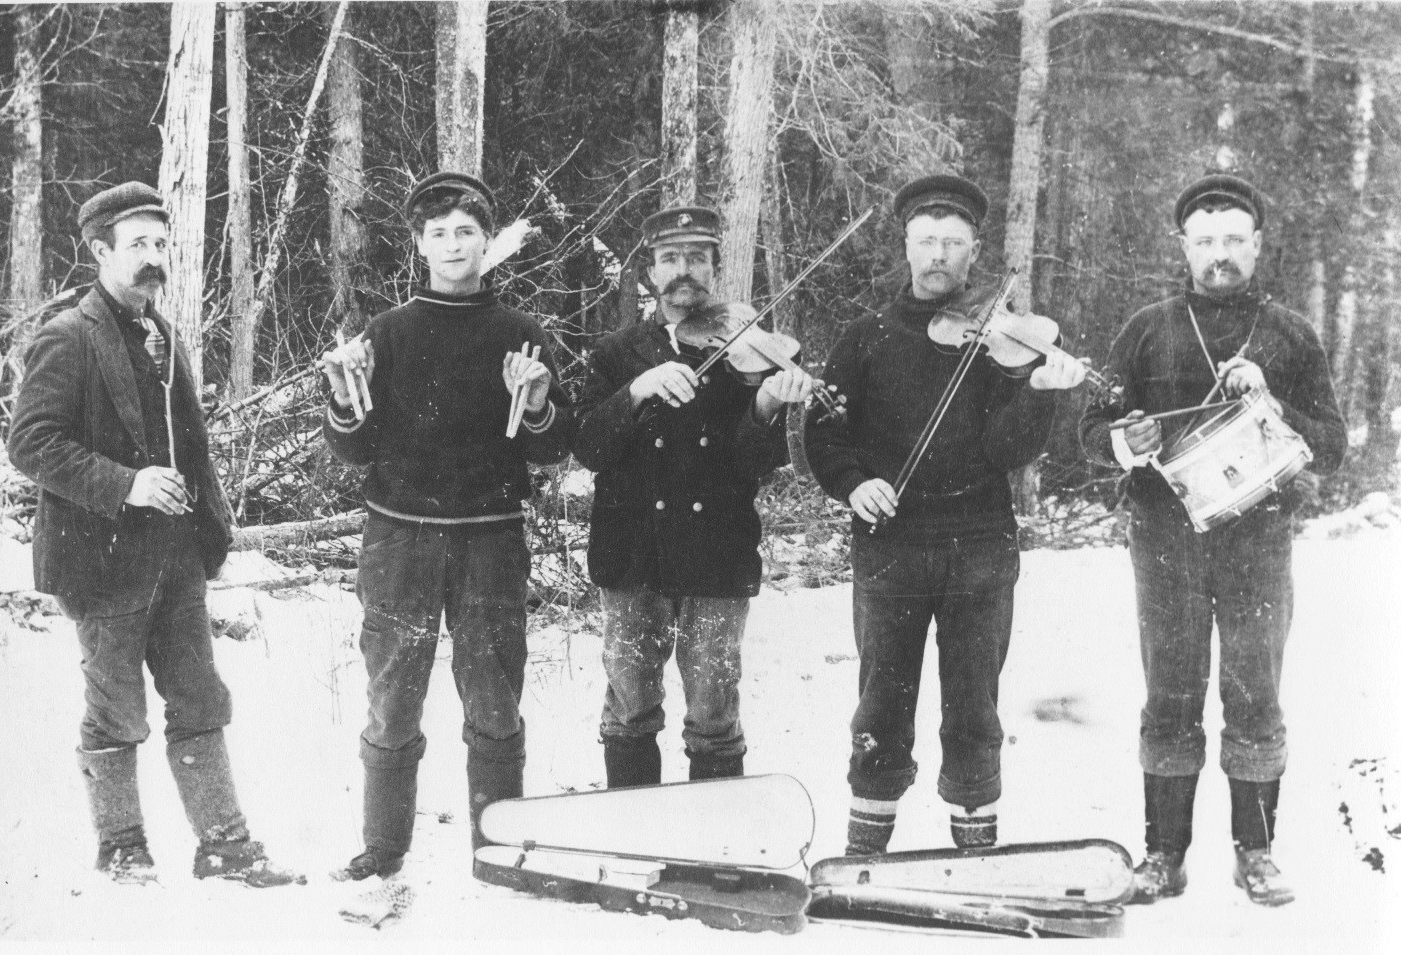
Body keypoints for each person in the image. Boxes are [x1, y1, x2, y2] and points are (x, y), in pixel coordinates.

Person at [7, 181, 304, 887]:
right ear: (100, 249)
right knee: (115, 709)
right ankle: (122, 847)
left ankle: (225, 846)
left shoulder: (159, 332)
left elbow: (191, 445)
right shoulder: (67, 337)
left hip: (173, 561)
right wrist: (125, 483)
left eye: (161, 244)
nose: (153, 257)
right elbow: (30, 443)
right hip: (100, 561)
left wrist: (212, 535)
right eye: (138, 244)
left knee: (200, 699)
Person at [1079, 173, 1346, 906]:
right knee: (1170, 693)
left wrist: (1273, 398)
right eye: (1205, 241)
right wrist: (1123, 441)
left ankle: (1255, 853)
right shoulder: (1145, 328)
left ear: (1258, 247)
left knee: (1255, 693)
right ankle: (1163, 854)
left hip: (1259, 543)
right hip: (1166, 543)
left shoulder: (1292, 334)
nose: (1219, 255)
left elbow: (1333, 443)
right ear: (1184, 247)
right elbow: (1084, 431)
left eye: (1233, 240)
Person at [805, 174, 1086, 856]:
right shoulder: (863, 338)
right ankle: (866, 850)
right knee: (880, 703)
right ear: (905, 247)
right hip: (890, 544)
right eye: (926, 241)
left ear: (974, 251)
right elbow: (824, 432)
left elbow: (1006, 449)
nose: (938, 256)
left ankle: (975, 847)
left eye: (952, 244)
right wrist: (853, 483)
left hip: (980, 545)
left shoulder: (997, 344)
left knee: (973, 708)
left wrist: (1040, 395)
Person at [320, 172, 574, 880]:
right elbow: (353, 446)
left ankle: (498, 850)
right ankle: (383, 848)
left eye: (466, 230)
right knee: (392, 694)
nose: (453, 244)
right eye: (438, 232)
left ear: (487, 241)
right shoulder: (388, 333)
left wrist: (540, 399)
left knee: (495, 697)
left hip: (490, 537)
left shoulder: (520, 335)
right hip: (399, 538)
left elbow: (552, 445)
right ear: (418, 245)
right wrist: (344, 398)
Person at [572, 205, 812, 787]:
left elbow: (754, 462)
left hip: (716, 551)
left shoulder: (748, 352)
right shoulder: (615, 352)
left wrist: (765, 406)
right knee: (629, 706)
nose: (684, 271)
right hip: (633, 553)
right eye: (670, 258)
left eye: (698, 259)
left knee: (713, 710)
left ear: (714, 268)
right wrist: (637, 390)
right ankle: (637, 833)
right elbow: (586, 446)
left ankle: (714, 846)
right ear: (649, 272)